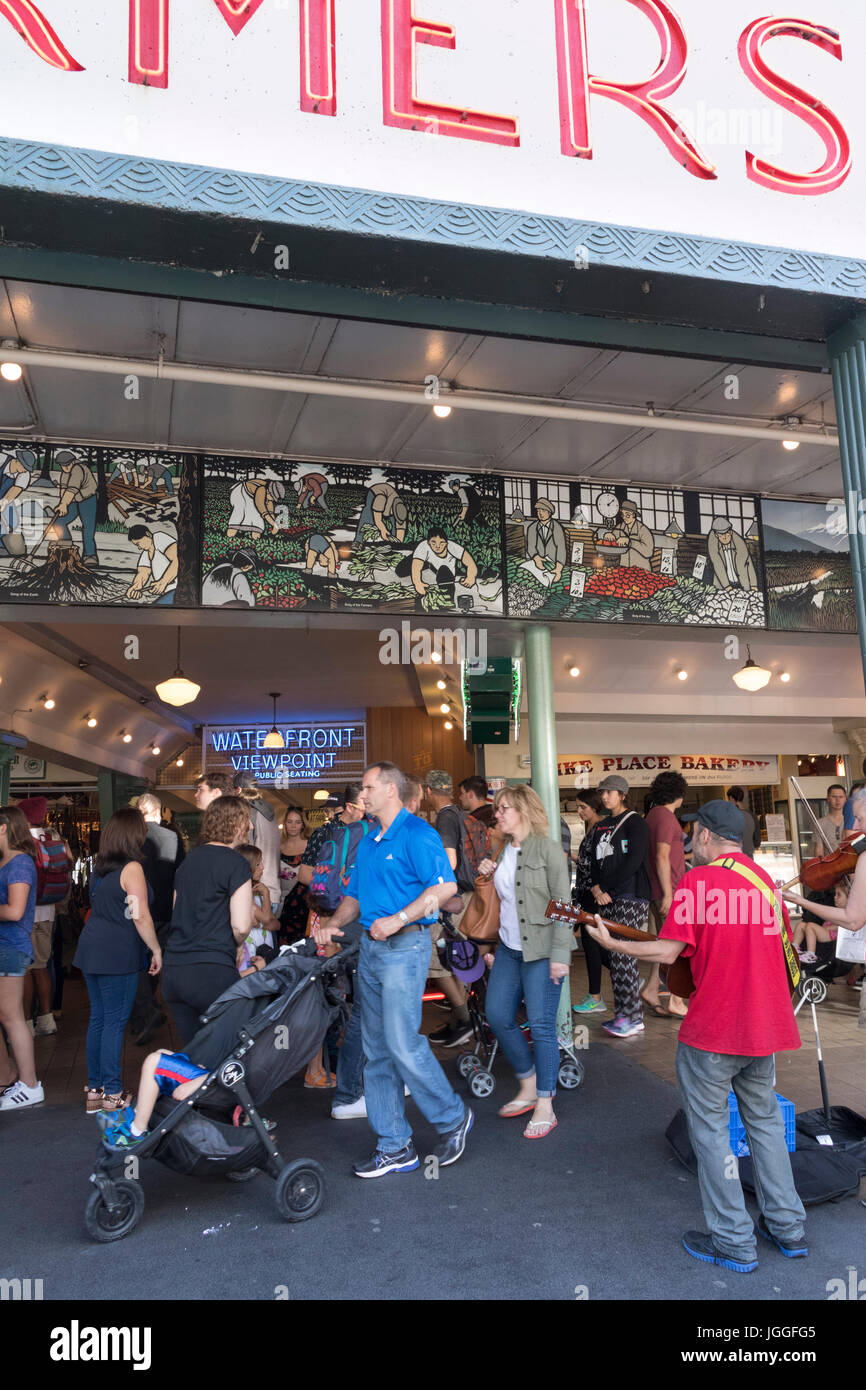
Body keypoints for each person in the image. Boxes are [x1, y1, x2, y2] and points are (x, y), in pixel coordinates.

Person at [587, 799, 807, 1273]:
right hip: (764, 1029)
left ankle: (733, 1241)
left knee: (711, 1134)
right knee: (766, 1125)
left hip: (713, 1030)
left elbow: (668, 952)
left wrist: (611, 942)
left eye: (692, 835)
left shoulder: (697, 882)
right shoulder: (766, 884)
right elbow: (781, 952)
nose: (689, 843)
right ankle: (788, 1227)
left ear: (706, 835)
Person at [313, 762, 473, 1178]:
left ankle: (453, 1117)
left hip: (405, 946)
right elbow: (353, 898)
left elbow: (445, 887)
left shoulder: (418, 833)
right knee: (376, 1050)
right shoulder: (368, 841)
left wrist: (400, 918)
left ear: (390, 789)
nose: (362, 795)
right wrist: (333, 923)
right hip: (371, 948)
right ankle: (394, 1145)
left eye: (368, 787)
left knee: (401, 1043)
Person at [477, 786, 572, 1139]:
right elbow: (502, 901)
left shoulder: (548, 850)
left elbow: (564, 907)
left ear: (523, 810)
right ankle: (528, 1084)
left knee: (542, 1025)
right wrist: (486, 872)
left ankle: (545, 1103)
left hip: (542, 951)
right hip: (508, 949)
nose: (497, 814)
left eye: (504, 808)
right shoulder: (500, 849)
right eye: (497, 809)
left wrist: (560, 956)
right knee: (497, 1015)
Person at [73, 808, 161, 1115]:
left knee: (99, 1019)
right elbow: (139, 914)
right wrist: (156, 948)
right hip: (117, 952)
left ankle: (95, 1092)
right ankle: (112, 1093)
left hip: (91, 948)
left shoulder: (100, 868)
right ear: (134, 835)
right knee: (113, 1022)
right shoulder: (132, 868)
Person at [299, 786, 370, 1113]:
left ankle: (332, 1067)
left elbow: (308, 875)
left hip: (331, 919)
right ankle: (332, 1073)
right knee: (344, 999)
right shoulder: (363, 833)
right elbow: (307, 874)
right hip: (345, 921)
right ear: (353, 806)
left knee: (334, 995)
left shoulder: (329, 834)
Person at [161, 795, 254, 1046]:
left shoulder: (188, 861)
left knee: (193, 1052)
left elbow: (176, 910)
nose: (251, 826)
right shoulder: (237, 863)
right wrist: (239, 944)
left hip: (175, 970)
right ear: (234, 823)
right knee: (225, 1052)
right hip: (211, 971)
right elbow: (241, 925)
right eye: (247, 820)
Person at [590, 774, 651, 1037]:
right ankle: (621, 1015)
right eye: (602, 792)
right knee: (614, 956)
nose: (605, 797)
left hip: (631, 895)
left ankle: (634, 1018)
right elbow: (595, 861)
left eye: (610, 792)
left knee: (624, 954)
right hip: (605, 896)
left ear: (623, 794)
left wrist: (606, 888)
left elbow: (634, 861)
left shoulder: (635, 822)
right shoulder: (601, 825)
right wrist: (596, 887)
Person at [423, 770, 474, 1049]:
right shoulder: (460, 814)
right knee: (455, 956)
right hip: (468, 895)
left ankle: (464, 1019)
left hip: (453, 897)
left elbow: (449, 862)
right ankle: (460, 1020)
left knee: (434, 956)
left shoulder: (444, 816)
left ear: (428, 791)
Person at [129, 792, 185, 1046]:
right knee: (155, 960)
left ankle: (143, 1013)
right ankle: (145, 1011)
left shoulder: (133, 838)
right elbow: (180, 875)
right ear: (159, 812)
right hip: (164, 909)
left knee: (137, 961)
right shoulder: (172, 837)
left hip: (137, 906)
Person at [0, 805, 43, 1111]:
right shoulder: (8, 862)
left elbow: (15, 911)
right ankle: (7, 1077)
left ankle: (30, 1084)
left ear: (4, 827)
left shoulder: (20, 863)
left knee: (11, 1016)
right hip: (5, 946)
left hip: (10, 946)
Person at [19, 795, 71, 1038]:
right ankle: (47, 1018)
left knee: (26, 969)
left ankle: (26, 1021)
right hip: (48, 912)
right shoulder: (52, 840)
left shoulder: (22, 843)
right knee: (41, 966)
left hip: (25, 913)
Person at [642, 771, 689, 1017]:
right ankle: (676, 999)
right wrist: (669, 895)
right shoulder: (667, 818)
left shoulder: (652, 815)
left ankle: (651, 989)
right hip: (667, 888)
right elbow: (661, 856)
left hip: (655, 888)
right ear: (679, 794)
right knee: (678, 945)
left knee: (663, 944)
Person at [571, 788, 607, 1015]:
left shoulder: (600, 830)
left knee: (593, 944)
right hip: (586, 893)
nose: (579, 811)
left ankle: (596, 997)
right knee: (594, 945)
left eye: (583, 807)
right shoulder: (593, 828)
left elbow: (595, 864)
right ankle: (627, 977)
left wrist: (572, 857)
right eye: (578, 806)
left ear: (594, 807)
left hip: (593, 895)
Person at [233, 772, 281, 915]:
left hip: (256, 892)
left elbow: (246, 855)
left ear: (238, 790)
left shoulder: (247, 813)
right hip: (273, 891)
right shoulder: (270, 814)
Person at [234, 844, 279, 975]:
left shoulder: (256, 890)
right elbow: (267, 920)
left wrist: (265, 895)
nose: (262, 867)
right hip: (248, 955)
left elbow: (273, 922)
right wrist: (266, 893)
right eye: (258, 864)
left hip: (263, 948)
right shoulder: (241, 894)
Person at [48, 448, 98, 565]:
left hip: (88, 499)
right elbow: (64, 489)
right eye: (62, 465)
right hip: (73, 500)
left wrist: (64, 504)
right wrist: (62, 504)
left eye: (67, 465)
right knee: (59, 521)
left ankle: (90, 555)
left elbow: (72, 489)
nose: (65, 468)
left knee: (88, 528)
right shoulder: (65, 472)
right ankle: (66, 543)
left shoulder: (78, 469)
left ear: (73, 462)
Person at [410, 528, 477, 605]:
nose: (438, 546)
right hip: (430, 564)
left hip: (446, 572)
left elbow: (470, 563)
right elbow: (416, 566)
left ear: (446, 543)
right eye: (433, 543)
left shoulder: (452, 546)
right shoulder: (423, 546)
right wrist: (417, 583)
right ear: (428, 542)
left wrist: (471, 577)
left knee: (443, 570)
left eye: (442, 543)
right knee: (401, 569)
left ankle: (447, 601)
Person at [278, 806, 311, 946]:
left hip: (305, 901)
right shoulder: (278, 846)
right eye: (289, 821)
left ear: (303, 825)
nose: (293, 826)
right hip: (283, 901)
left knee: (303, 943)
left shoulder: (310, 845)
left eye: (297, 822)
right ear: (284, 824)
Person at [125, 524, 178, 603]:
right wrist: (135, 587)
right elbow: (143, 573)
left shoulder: (159, 538)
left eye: (138, 543)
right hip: (167, 593)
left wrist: (163, 582)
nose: (139, 547)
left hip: (178, 589)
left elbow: (177, 560)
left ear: (148, 534)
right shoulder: (146, 553)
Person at [708, 517, 757, 590]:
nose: (724, 537)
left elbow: (748, 562)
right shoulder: (713, 543)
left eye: (727, 534)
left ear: (730, 532)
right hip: (723, 584)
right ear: (716, 535)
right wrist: (726, 586)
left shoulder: (740, 543)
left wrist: (753, 584)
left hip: (741, 581)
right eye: (721, 535)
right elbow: (718, 565)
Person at [603, 498, 653, 570]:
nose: (624, 518)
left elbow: (648, 552)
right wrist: (608, 535)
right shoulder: (620, 527)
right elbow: (613, 541)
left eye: (627, 515)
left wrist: (630, 542)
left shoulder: (643, 530)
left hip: (641, 569)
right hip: (624, 568)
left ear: (634, 515)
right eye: (623, 515)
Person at [525, 498, 567, 583]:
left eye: (543, 510)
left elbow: (561, 549)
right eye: (538, 510)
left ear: (549, 512)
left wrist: (558, 569)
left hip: (553, 564)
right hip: (535, 562)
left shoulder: (557, 527)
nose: (540, 513)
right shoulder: (532, 527)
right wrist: (536, 558)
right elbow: (531, 546)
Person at [726, 786, 761, 858]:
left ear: (731, 798)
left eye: (728, 799)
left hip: (735, 858)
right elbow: (757, 842)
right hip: (749, 858)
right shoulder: (752, 815)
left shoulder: (731, 816)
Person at [815, 783, 847, 850]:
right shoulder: (820, 823)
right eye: (834, 797)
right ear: (828, 799)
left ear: (845, 799)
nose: (838, 800)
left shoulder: (853, 821)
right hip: (830, 857)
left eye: (841, 797)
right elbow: (819, 851)